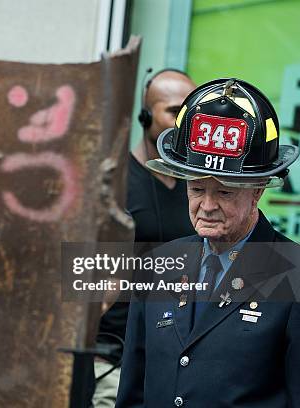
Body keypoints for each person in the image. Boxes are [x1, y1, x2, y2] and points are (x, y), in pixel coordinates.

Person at [115, 78, 300, 407]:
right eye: (195, 188)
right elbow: (133, 393)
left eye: (224, 191)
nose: (206, 206)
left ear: (258, 190)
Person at [93, 69, 196, 408]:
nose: (184, 122)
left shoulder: (199, 187)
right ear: (145, 116)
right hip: (114, 357)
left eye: (190, 113)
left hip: (176, 354)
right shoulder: (114, 181)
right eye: (174, 111)